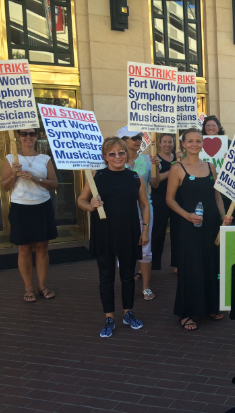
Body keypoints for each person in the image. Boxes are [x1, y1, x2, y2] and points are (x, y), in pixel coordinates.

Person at [77, 137, 150, 338]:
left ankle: (128, 312)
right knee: (106, 277)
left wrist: (145, 229)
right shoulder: (96, 177)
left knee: (128, 276)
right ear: (105, 157)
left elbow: (144, 205)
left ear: (126, 154)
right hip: (104, 232)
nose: (117, 157)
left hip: (129, 231)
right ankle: (109, 317)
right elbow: (81, 200)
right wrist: (90, 204)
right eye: (112, 153)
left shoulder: (135, 177)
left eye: (121, 152)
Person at [166, 128, 232, 330]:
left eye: (198, 141)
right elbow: (169, 200)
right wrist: (187, 216)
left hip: (211, 225)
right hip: (190, 225)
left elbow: (217, 196)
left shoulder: (211, 166)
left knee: (212, 265)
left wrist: (223, 216)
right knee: (191, 268)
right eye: (190, 141)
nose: (195, 144)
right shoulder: (177, 168)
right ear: (183, 144)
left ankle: (211, 306)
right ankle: (186, 313)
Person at [1, 128, 58, 302]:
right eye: (24, 133)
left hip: (42, 207)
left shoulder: (45, 159)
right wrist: (13, 175)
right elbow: (4, 186)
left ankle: (42, 286)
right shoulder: (11, 159)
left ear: (37, 137)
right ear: (18, 136)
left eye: (32, 134)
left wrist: (35, 178)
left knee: (42, 247)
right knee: (24, 249)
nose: (28, 137)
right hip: (21, 207)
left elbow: (54, 184)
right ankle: (28, 289)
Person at [116, 127, 160, 300]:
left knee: (145, 249)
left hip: (144, 210)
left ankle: (146, 287)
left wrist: (155, 167)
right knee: (123, 249)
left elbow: (155, 185)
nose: (138, 140)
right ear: (122, 140)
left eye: (140, 137)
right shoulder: (115, 161)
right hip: (122, 213)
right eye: (133, 137)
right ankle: (127, 283)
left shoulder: (148, 160)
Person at [151, 133, 180, 272]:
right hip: (159, 199)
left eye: (170, 142)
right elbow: (155, 182)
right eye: (164, 142)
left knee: (177, 232)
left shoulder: (178, 158)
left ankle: (176, 264)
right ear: (159, 143)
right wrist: (174, 169)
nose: (167, 144)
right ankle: (152, 264)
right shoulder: (155, 159)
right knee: (157, 232)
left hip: (176, 199)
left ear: (174, 143)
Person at [201, 115, 235, 224]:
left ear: (219, 127)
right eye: (208, 125)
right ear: (204, 127)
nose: (210, 128)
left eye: (213, 125)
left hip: (225, 192)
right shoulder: (198, 143)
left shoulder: (229, 143)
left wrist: (231, 159)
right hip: (205, 190)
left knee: (226, 223)